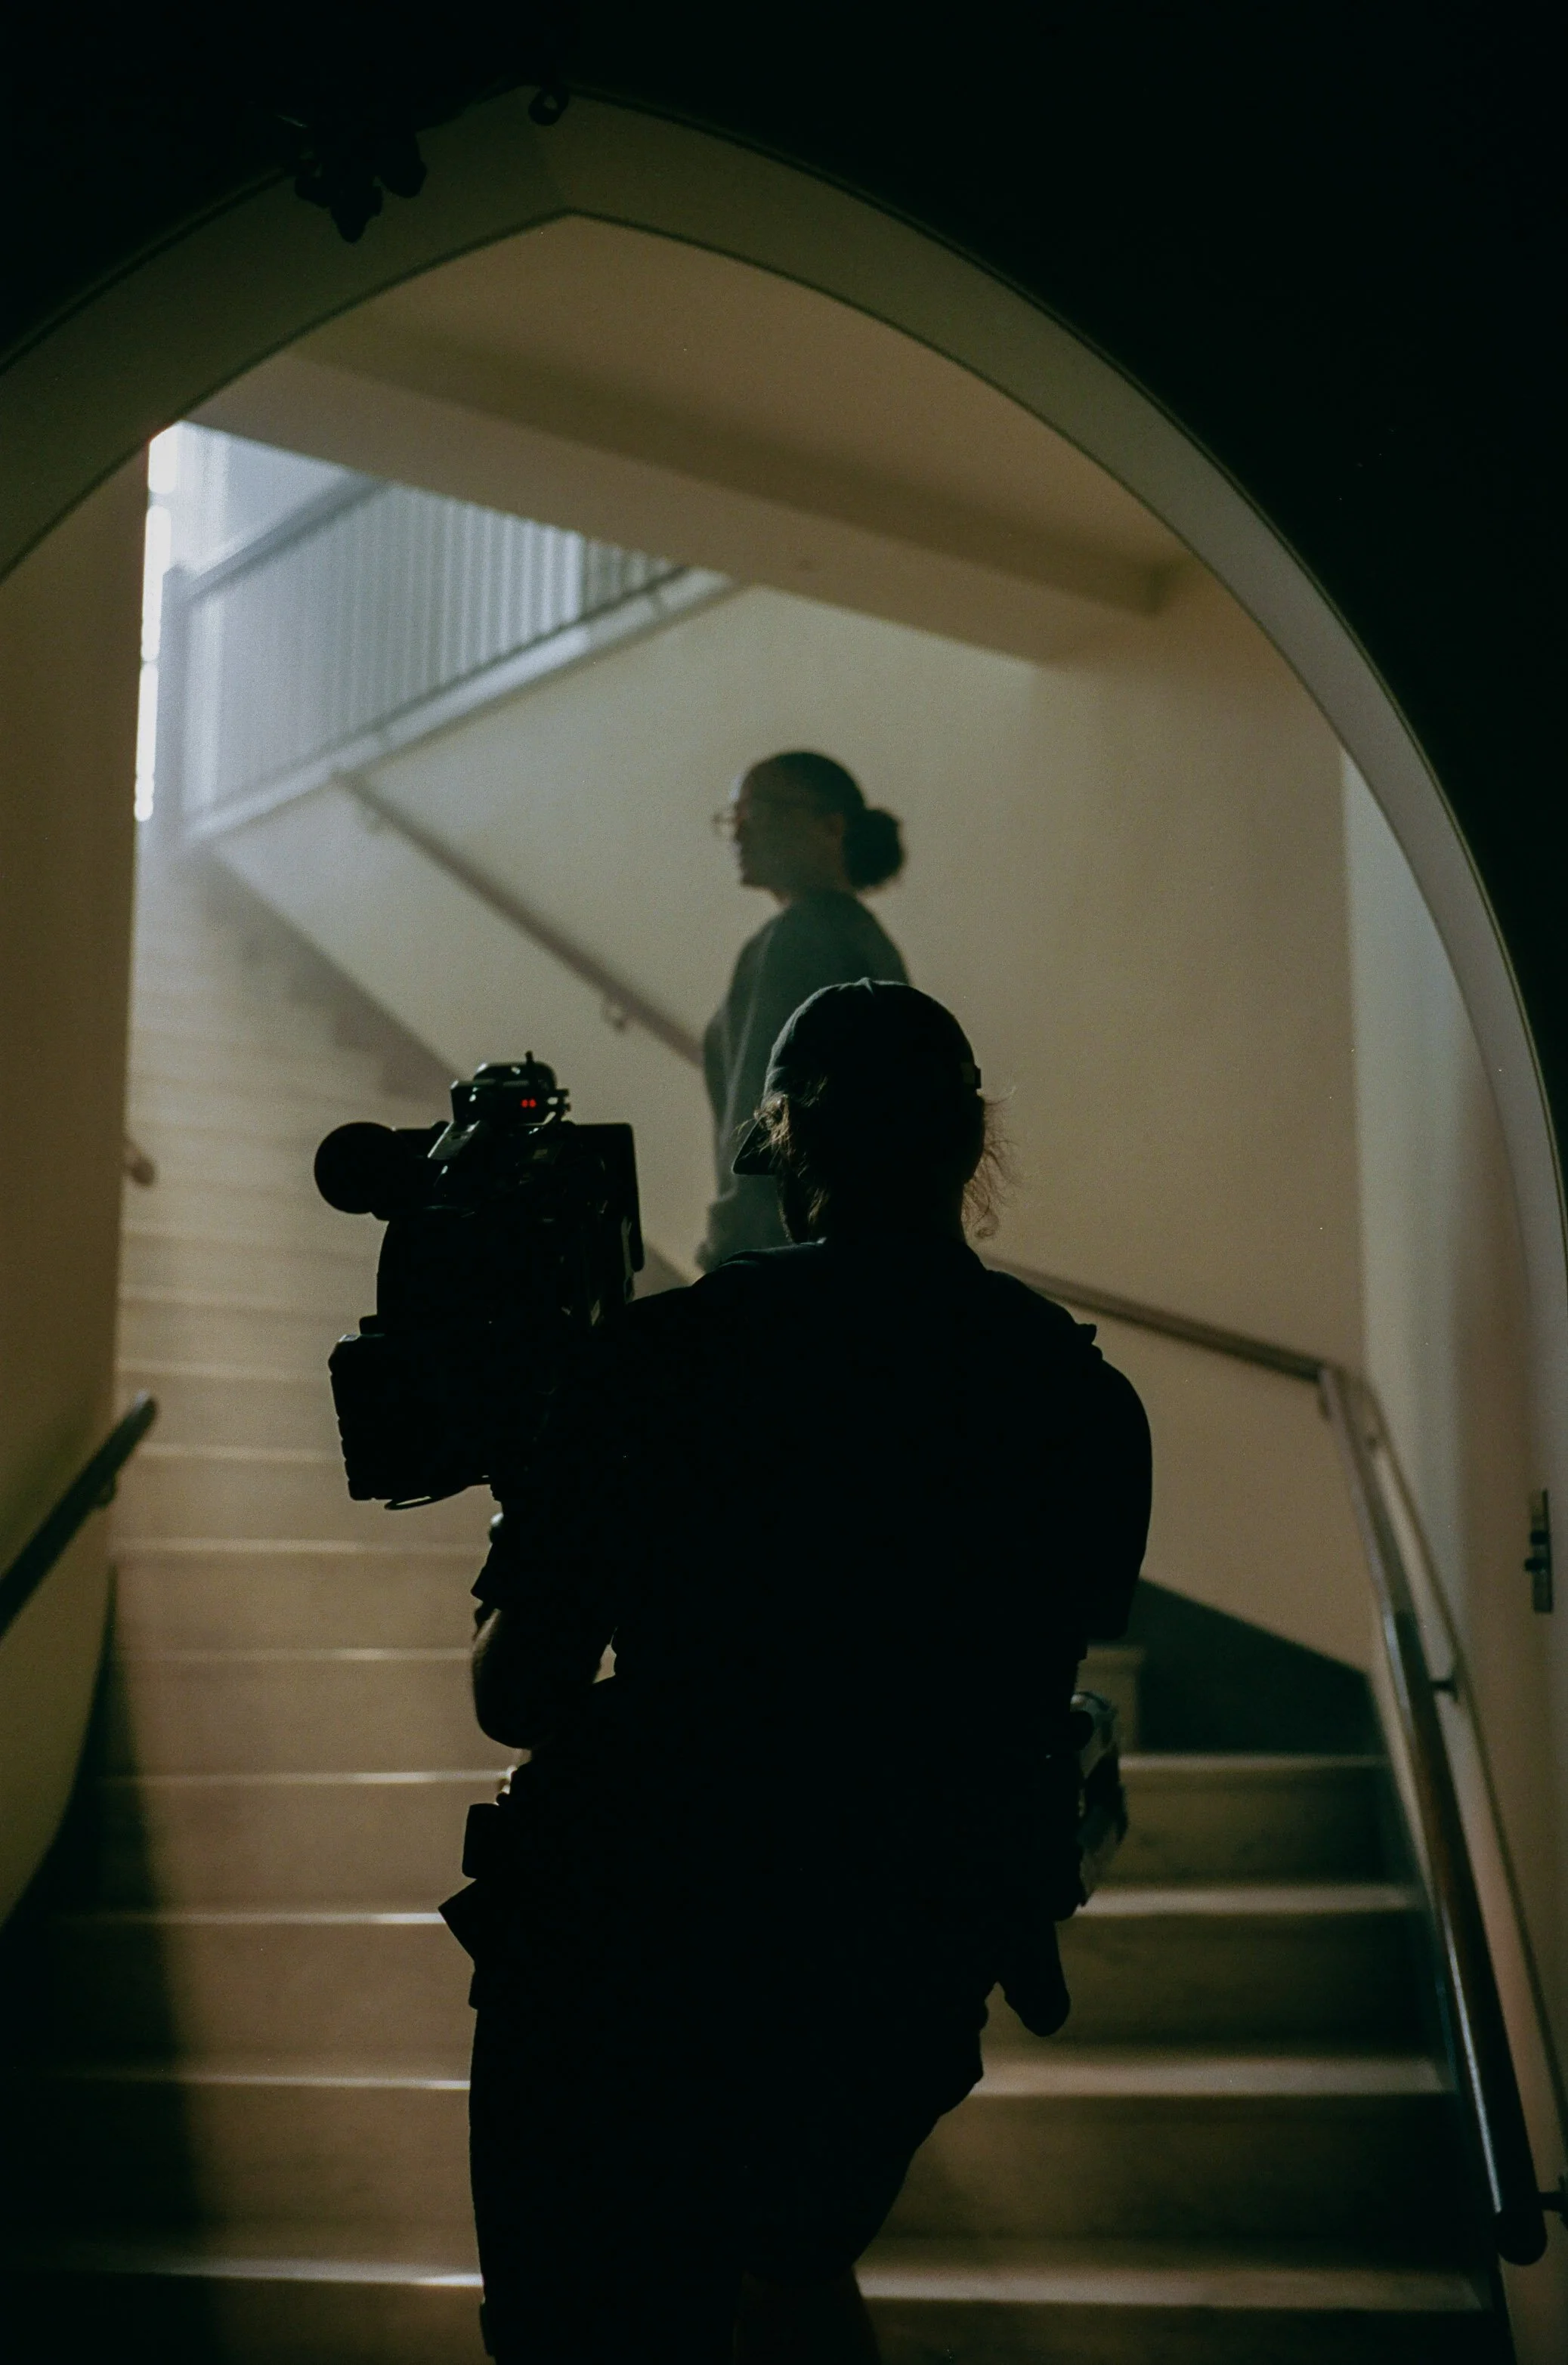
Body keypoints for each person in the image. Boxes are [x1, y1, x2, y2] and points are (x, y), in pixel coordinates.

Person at [450, 982, 1152, 2365]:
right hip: (898, 1976)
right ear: (969, 1147)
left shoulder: (662, 1362)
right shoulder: (1081, 1400)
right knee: (792, 2277)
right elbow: (1008, 1673)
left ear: (788, 1139)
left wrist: (533, 1492)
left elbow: (518, 1695)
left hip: (638, 1954)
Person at [700, 750, 908, 1270]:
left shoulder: (796, 938)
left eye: (758, 812)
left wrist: (730, 1259)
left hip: (785, 1265)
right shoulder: (865, 937)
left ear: (830, 826)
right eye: (733, 818)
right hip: (862, 1255)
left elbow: (761, 1121)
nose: (739, 834)